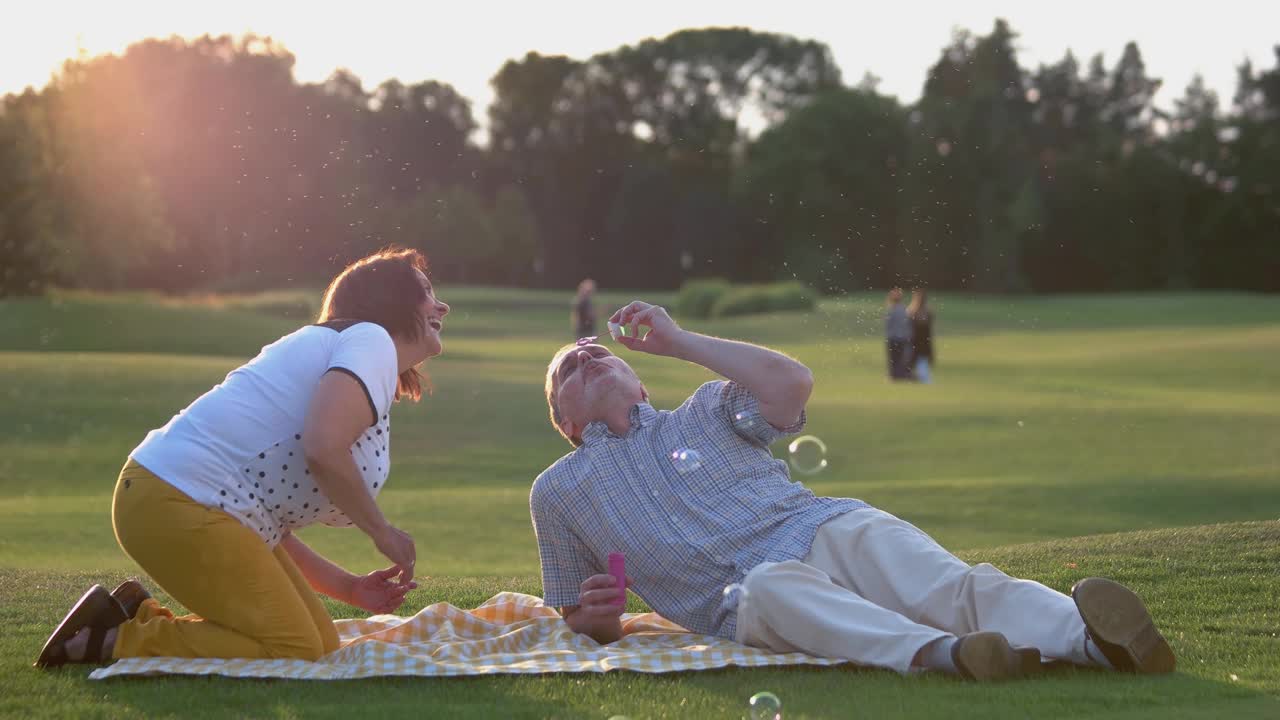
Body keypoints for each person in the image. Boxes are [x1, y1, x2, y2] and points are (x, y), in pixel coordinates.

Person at [530, 300, 1175, 680]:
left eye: (598, 352)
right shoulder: (558, 492)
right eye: (568, 369)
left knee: (953, 585)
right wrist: (594, 618)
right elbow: (583, 618)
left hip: (825, 526)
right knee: (770, 586)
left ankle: (1094, 639)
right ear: (565, 422)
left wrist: (679, 341)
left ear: (642, 383)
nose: (585, 356)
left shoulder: (705, 410)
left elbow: (791, 384)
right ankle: (951, 656)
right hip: (750, 596)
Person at [36, 247, 450, 668]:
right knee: (296, 648)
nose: (443, 306)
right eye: (427, 292)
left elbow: (268, 525)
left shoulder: (351, 351)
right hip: (174, 500)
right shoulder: (371, 339)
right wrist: (381, 531)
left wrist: (349, 588)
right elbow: (324, 448)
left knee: (320, 643)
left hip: (178, 500)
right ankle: (111, 638)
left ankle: (135, 612)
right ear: (390, 302)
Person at [907, 289, 935, 383]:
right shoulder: (927, 311)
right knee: (921, 362)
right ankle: (922, 379)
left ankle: (921, 379)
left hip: (917, 340)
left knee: (919, 362)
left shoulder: (912, 311)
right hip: (922, 341)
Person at [885, 288, 912, 380]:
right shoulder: (904, 309)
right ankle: (900, 374)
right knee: (901, 358)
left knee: (893, 358)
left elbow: (888, 324)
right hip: (903, 338)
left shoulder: (891, 309)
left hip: (893, 337)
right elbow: (908, 324)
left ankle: (894, 375)